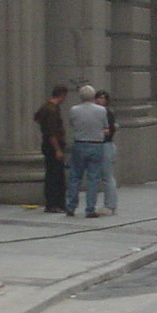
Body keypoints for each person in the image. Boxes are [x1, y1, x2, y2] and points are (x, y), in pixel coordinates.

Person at [66, 84, 109, 218]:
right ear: (93, 96)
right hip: (96, 145)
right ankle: (90, 209)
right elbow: (105, 126)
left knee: (75, 177)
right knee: (93, 178)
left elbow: (72, 124)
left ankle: (71, 206)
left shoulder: (74, 110)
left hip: (79, 144)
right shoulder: (101, 110)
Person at [33, 85, 68, 212]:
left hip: (48, 145)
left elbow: (36, 118)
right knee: (56, 176)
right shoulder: (52, 110)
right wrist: (57, 149)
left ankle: (54, 203)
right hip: (53, 145)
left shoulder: (45, 107)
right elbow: (52, 132)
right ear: (62, 95)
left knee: (52, 174)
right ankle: (54, 204)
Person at [95, 89, 118, 215]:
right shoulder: (99, 112)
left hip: (106, 145)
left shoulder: (107, 113)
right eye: (98, 97)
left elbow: (109, 131)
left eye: (103, 98)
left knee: (107, 176)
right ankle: (110, 204)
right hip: (102, 145)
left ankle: (110, 205)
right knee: (105, 176)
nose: (100, 100)